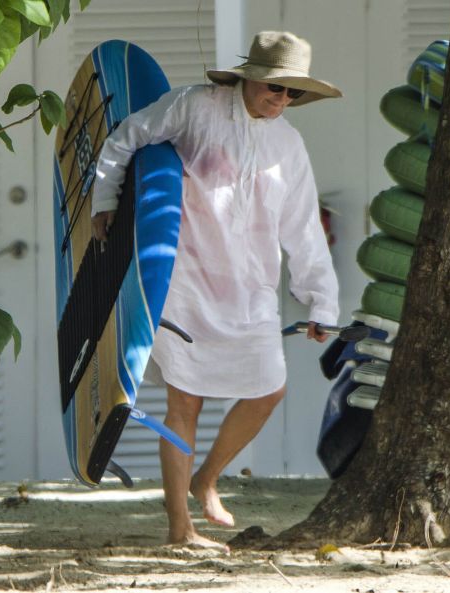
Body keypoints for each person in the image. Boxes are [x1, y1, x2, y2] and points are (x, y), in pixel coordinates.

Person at [92, 31, 342, 550]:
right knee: (186, 403)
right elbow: (126, 137)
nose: (282, 100)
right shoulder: (194, 106)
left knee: (269, 388)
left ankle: (207, 478)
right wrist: (105, 199)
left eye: (293, 93)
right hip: (185, 278)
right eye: (276, 87)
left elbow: (302, 229)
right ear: (250, 75)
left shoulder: (288, 143)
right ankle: (180, 528)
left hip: (251, 287)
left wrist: (321, 301)